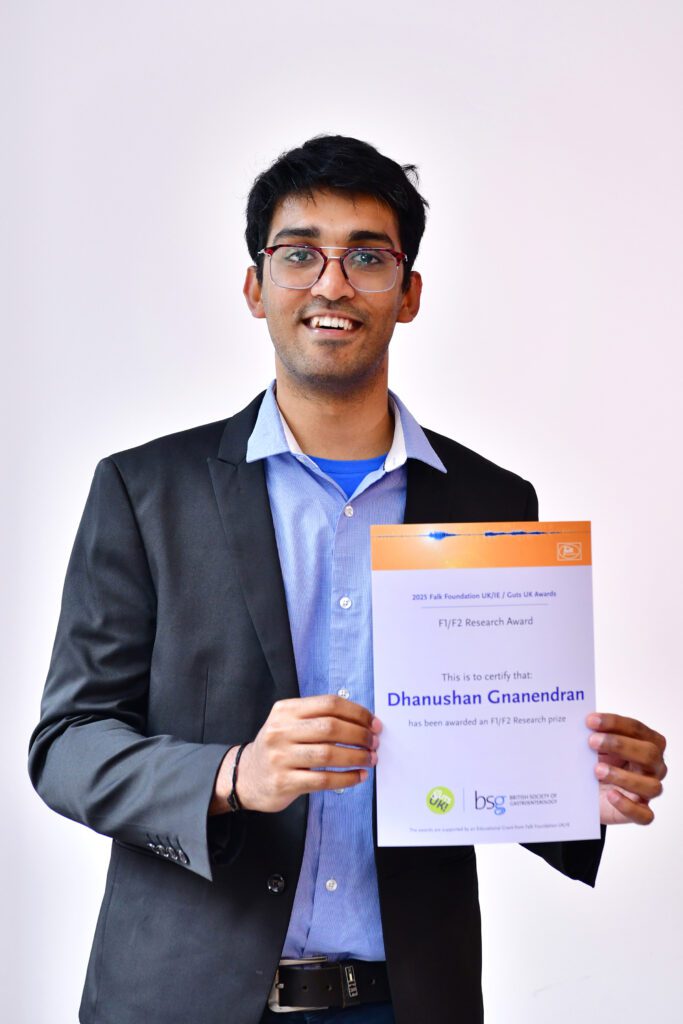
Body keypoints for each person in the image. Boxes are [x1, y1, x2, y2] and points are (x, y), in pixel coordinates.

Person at [29, 135, 667, 1024]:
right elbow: (67, 744)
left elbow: (486, 745)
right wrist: (232, 774)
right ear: (256, 288)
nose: (331, 284)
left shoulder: (490, 500)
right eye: (300, 254)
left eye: (367, 256)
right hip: (182, 998)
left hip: (406, 999)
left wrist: (571, 785)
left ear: (407, 295)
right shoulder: (146, 491)